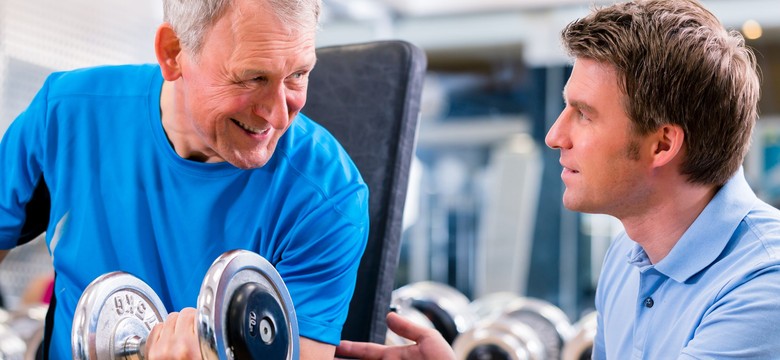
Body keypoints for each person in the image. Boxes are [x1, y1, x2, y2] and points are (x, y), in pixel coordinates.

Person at [336, 0, 780, 359]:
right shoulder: (630, 255)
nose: (554, 136)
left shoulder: (764, 288)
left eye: (584, 115)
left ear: (662, 145)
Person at [0, 0, 369, 358]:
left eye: (298, 75)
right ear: (174, 53)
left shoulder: (329, 197)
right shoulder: (65, 115)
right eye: (253, 78)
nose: (277, 113)